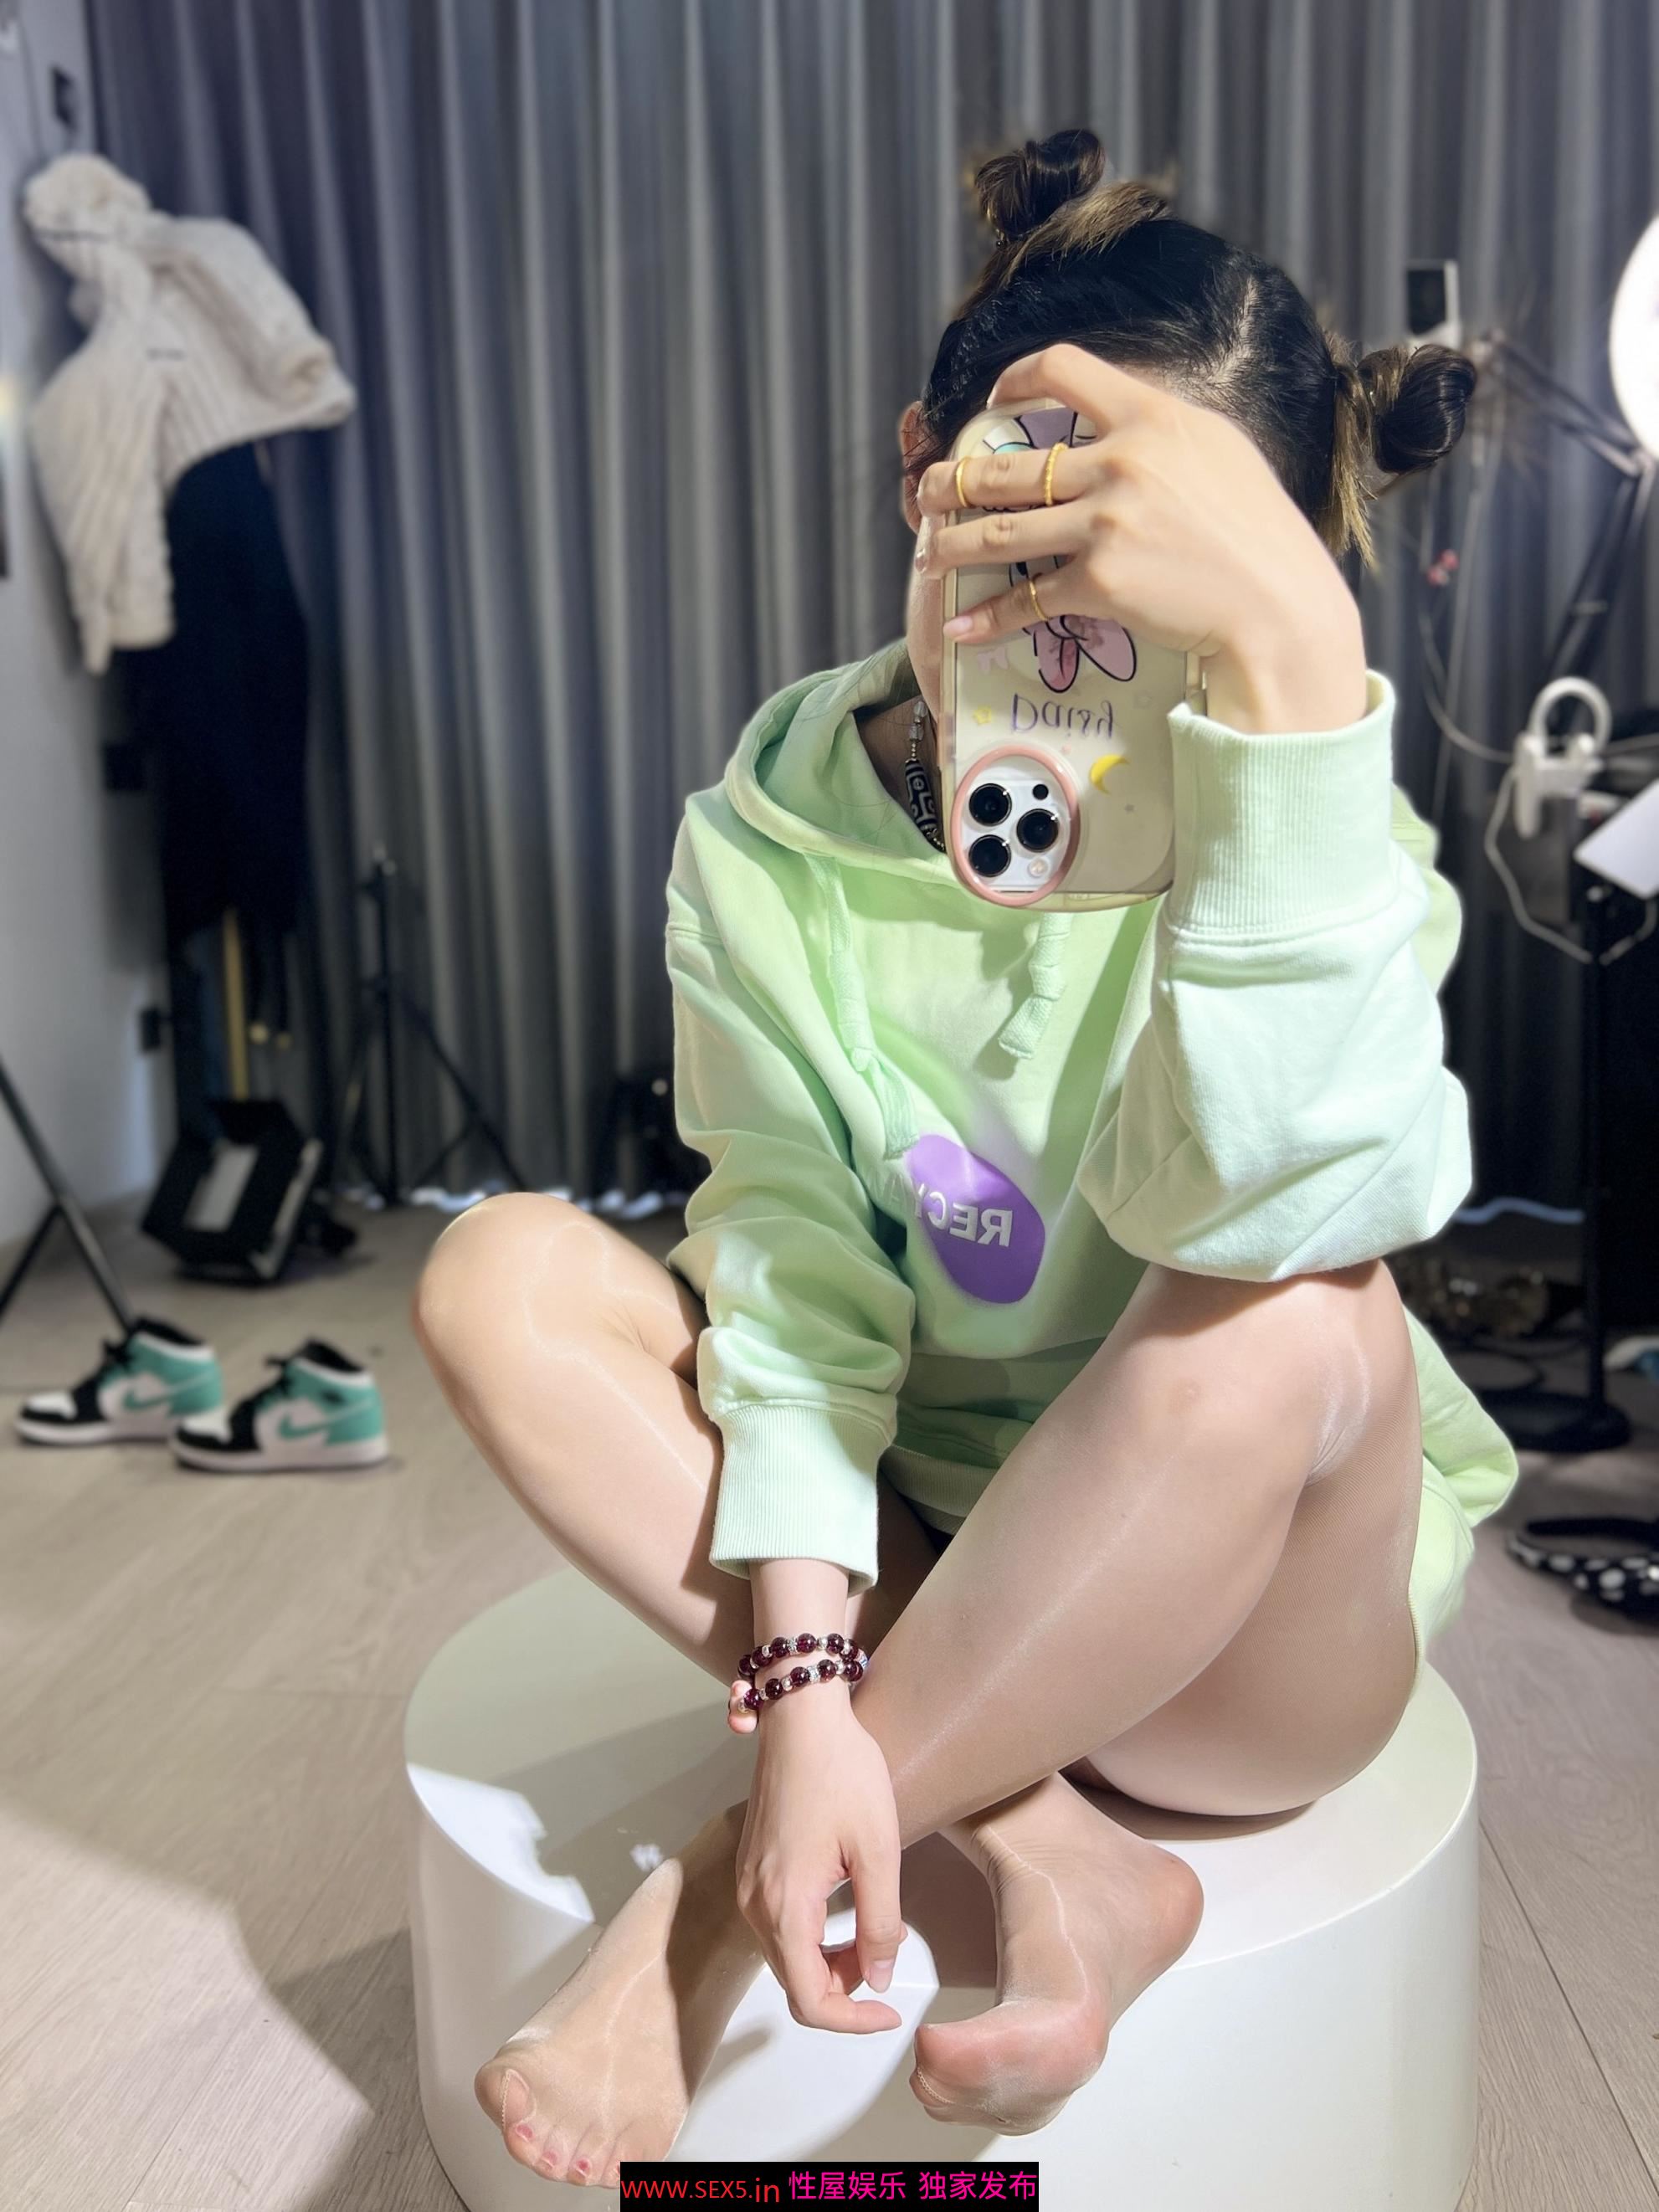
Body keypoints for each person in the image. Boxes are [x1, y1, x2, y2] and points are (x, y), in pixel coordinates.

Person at [415, 127, 1520, 2192]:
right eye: (1019, 549)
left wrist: (1289, 670)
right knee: (504, 1271)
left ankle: (709, 1907)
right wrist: (811, 1652)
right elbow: (792, 1277)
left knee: (1289, 1309)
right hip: (937, 1547)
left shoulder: (1302, 811)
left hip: (1239, 1656)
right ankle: (1047, 1842)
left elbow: (1289, 1214)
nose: (1066, 638)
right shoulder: (764, 837)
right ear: (924, 465)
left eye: (1145, 584)